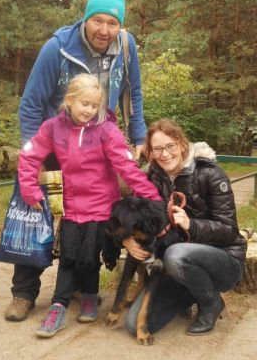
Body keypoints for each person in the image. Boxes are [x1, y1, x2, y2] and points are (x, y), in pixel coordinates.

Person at [5, 0, 147, 322]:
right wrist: (36, 154)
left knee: (92, 218)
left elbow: (134, 93)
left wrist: (138, 133)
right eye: (98, 20)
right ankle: (24, 292)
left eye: (112, 23)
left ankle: (83, 285)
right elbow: (31, 103)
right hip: (55, 145)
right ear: (86, 19)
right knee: (36, 214)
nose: (104, 30)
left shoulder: (127, 47)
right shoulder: (57, 48)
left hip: (97, 145)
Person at [17, 74, 161, 337]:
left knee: (89, 256)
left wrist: (153, 198)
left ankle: (89, 296)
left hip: (101, 207)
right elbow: (29, 155)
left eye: (95, 105)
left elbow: (126, 167)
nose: (89, 110)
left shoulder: (107, 130)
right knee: (68, 257)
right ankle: (58, 306)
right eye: (85, 104)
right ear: (70, 100)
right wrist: (29, 189)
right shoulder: (52, 127)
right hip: (70, 205)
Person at [123, 118, 247, 337]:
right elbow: (128, 213)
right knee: (134, 324)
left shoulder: (210, 173)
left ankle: (210, 303)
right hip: (173, 267)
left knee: (176, 254)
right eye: (157, 149)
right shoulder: (150, 177)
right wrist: (126, 238)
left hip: (222, 260)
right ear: (151, 152)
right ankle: (187, 295)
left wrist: (192, 224)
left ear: (181, 144)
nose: (165, 154)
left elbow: (229, 231)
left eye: (170, 146)